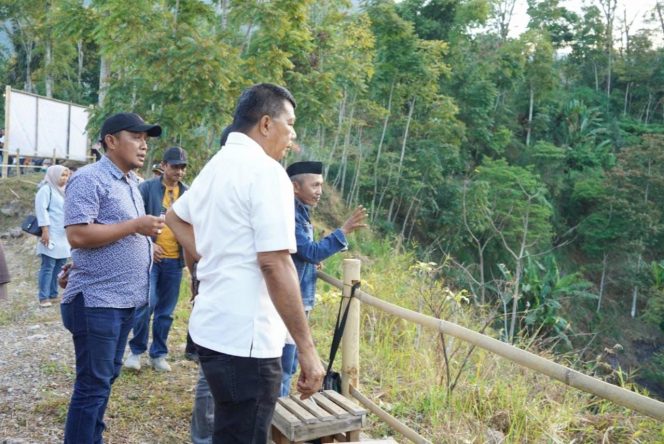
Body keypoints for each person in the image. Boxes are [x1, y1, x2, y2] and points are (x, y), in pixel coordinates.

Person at [165, 83, 325, 443]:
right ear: (266, 124)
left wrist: (212, 254)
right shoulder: (266, 173)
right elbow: (275, 264)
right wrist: (307, 349)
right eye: (290, 123)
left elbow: (176, 217)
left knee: (228, 430)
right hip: (246, 343)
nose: (293, 133)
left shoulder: (218, 163)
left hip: (212, 329)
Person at [60, 112, 164, 443]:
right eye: (136, 137)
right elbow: (77, 234)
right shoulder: (89, 178)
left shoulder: (130, 183)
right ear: (111, 141)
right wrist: (136, 227)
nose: (143, 145)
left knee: (104, 379)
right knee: (92, 386)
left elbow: (106, 232)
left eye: (146, 140)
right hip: (97, 301)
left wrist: (144, 243)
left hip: (123, 301)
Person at [280, 161, 367, 396]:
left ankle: (276, 414)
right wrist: (343, 231)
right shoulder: (291, 212)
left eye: (321, 185)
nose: (319, 190)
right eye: (315, 185)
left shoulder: (301, 210)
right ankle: (273, 419)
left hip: (299, 293)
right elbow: (309, 251)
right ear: (295, 187)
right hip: (291, 297)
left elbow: (303, 252)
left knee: (289, 363)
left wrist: (311, 258)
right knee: (284, 365)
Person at [124, 147, 189, 372]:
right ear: (163, 166)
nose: (179, 172)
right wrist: (149, 245)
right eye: (174, 166)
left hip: (175, 260)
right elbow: (132, 221)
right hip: (149, 259)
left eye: (182, 167)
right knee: (146, 304)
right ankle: (136, 351)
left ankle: (158, 354)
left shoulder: (187, 193)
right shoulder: (147, 189)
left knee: (166, 311)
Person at [35, 165, 71, 308]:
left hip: (63, 235)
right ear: (54, 175)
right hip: (50, 233)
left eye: (66, 175)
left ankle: (53, 293)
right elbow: (41, 211)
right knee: (48, 265)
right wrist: (45, 230)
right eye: (62, 175)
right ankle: (43, 297)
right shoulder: (46, 190)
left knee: (60, 265)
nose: (65, 178)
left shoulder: (65, 191)